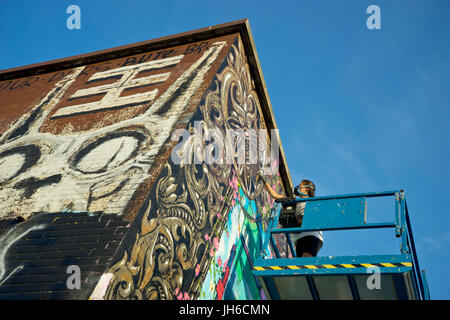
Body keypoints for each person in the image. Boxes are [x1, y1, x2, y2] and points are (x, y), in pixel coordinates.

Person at [258, 174, 323, 257]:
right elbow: (275, 195)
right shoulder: (294, 202)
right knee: (300, 264)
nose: (297, 188)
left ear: (307, 189)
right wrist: (264, 182)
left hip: (311, 235)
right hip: (299, 238)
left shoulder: (313, 203)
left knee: (307, 258)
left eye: (300, 186)